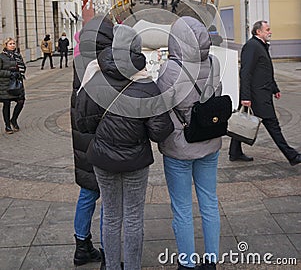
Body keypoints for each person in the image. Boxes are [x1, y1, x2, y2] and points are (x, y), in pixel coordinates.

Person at [76, 24, 174, 270]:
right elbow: (159, 131)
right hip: (135, 161)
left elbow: (83, 123)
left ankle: (111, 267)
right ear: (137, 51)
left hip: (102, 159)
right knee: (133, 217)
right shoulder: (147, 85)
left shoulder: (95, 78)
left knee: (110, 215)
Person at [157, 16, 222, 270]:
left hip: (179, 145)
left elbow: (161, 103)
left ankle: (186, 262)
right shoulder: (213, 62)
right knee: (209, 201)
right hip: (210, 140)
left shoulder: (170, 70)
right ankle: (212, 260)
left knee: (182, 207)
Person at [71, 17, 114, 267]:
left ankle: (82, 245)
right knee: (108, 195)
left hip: (82, 136)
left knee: (88, 191)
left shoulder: (80, 59)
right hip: (103, 137)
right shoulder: (106, 61)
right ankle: (108, 250)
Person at [229, 20, 301, 166]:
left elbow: (264, 70)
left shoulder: (260, 46)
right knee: (273, 125)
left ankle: (234, 152)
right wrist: (245, 97)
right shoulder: (251, 46)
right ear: (258, 32)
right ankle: (292, 156)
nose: (270, 32)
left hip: (261, 93)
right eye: (267, 29)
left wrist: (275, 88)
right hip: (256, 96)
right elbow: (245, 72)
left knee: (243, 121)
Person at [0, 37, 26, 134]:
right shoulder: (1, 57)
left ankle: (13, 120)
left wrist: (19, 73)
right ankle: (7, 126)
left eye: (14, 43)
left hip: (17, 83)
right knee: (6, 104)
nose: (12, 45)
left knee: (21, 101)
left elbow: (23, 66)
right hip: (5, 84)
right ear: (6, 45)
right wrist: (10, 73)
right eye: (10, 44)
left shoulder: (17, 55)